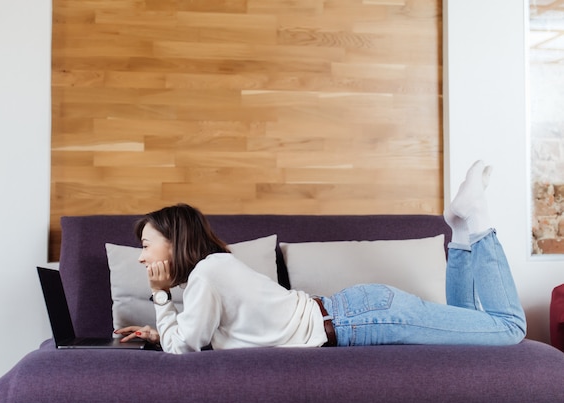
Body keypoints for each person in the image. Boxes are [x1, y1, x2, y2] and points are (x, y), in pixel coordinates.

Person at [115, 161, 527, 353]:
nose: (142, 256)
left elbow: (183, 350)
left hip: (362, 318)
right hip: (356, 311)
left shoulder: (207, 275)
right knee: (474, 334)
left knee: (508, 329)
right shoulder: (211, 272)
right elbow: (194, 336)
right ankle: (458, 230)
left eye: (147, 244)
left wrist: (161, 296)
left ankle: (481, 222)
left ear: (174, 241)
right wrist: (158, 331)